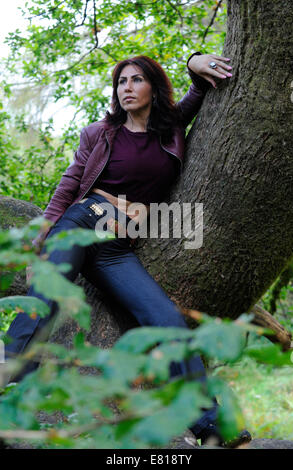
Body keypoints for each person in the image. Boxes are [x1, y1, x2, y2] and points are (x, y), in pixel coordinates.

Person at [3, 51, 251, 447]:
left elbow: (197, 88)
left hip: (117, 247)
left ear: (153, 87)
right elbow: (67, 187)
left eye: (136, 80)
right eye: (121, 82)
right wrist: (39, 245)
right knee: (45, 301)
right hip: (83, 222)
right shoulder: (99, 133)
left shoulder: (168, 129)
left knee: (166, 321)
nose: (127, 89)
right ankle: (9, 388)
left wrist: (193, 60)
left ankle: (211, 425)